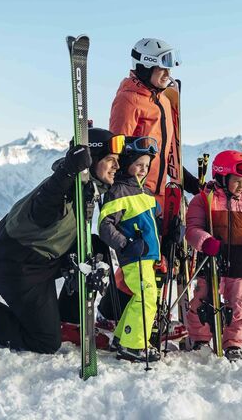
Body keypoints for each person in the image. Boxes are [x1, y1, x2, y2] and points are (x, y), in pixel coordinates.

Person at [0, 128, 123, 353]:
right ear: (92, 161)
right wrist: (67, 171)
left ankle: (69, 321)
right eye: (111, 160)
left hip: (43, 258)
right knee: (45, 342)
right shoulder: (64, 187)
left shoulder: (86, 188)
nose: (117, 166)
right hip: (16, 265)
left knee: (95, 248)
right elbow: (42, 210)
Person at [185, 150, 242, 360]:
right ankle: (200, 338)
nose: (241, 185)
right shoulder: (203, 200)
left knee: (239, 305)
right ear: (222, 177)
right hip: (211, 258)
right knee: (202, 300)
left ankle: (233, 343)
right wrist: (205, 241)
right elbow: (192, 229)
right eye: (237, 180)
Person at [109, 38, 200, 207]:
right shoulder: (128, 100)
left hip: (160, 194)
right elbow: (118, 149)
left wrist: (188, 181)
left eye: (169, 69)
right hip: (137, 193)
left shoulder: (164, 101)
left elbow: (166, 152)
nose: (168, 74)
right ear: (145, 68)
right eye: (162, 69)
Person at [97, 137, 162, 362]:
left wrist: (171, 229)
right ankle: (133, 345)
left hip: (146, 257)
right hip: (134, 256)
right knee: (147, 297)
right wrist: (126, 244)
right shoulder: (119, 190)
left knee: (141, 295)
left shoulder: (144, 193)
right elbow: (105, 226)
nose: (143, 169)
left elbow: (154, 222)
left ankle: (122, 338)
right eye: (138, 164)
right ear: (126, 164)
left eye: (146, 165)